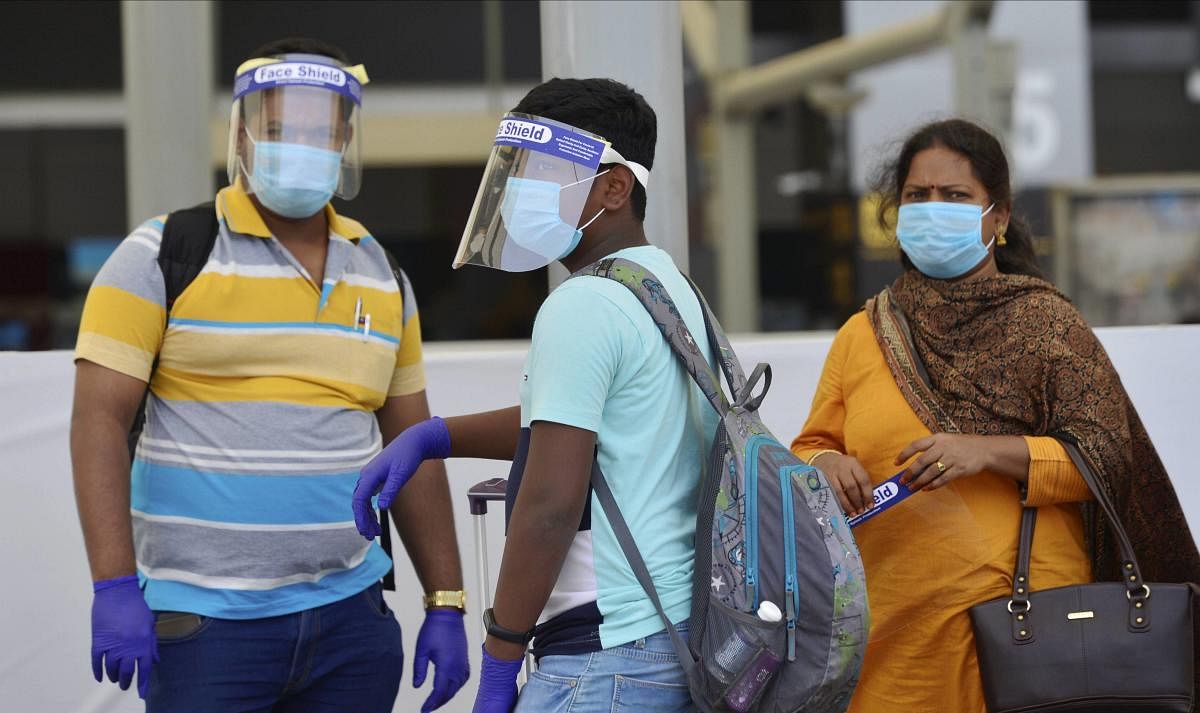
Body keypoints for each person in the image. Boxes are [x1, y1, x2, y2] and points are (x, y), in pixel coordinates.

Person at [72, 37, 469, 712]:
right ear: (244, 133)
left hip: (352, 622)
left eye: (321, 130)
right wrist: (113, 586)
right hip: (207, 631)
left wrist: (447, 600)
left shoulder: (381, 273)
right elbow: (97, 420)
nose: (302, 145)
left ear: (347, 136)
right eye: (281, 128)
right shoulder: (162, 254)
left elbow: (415, 448)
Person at [791, 118, 1200, 711]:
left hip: (1026, 631)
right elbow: (811, 443)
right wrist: (824, 462)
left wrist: (985, 451)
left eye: (955, 196)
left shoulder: (1044, 325)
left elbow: (1108, 459)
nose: (933, 208)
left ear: (999, 219)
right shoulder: (866, 331)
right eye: (917, 196)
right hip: (894, 638)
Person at [353, 78, 716, 713]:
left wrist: (500, 657)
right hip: (674, 632)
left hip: (603, 654)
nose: (520, 190)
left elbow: (550, 504)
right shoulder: (665, 285)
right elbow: (585, 421)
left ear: (614, 187)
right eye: (517, 169)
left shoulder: (580, 304)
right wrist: (437, 436)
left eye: (543, 168)